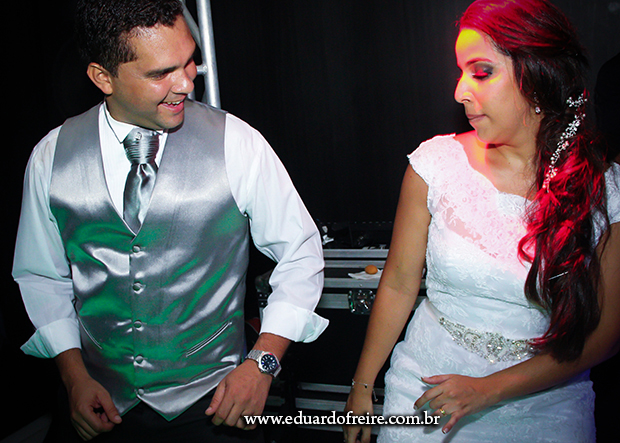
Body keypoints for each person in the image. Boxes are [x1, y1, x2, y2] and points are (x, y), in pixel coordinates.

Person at [12, 0, 328, 441]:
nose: (186, 83)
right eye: (161, 73)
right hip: (97, 402)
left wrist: (263, 364)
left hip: (216, 406)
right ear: (103, 77)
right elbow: (42, 277)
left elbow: (301, 254)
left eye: (189, 61)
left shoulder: (237, 142)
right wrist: (73, 377)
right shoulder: (51, 156)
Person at [343, 0, 620, 442]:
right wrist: (361, 386)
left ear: (536, 74)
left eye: (482, 72)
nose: (460, 91)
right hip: (424, 393)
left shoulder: (604, 188)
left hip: (546, 408)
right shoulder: (435, 164)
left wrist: (487, 390)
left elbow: (606, 336)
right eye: (461, 72)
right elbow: (397, 283)